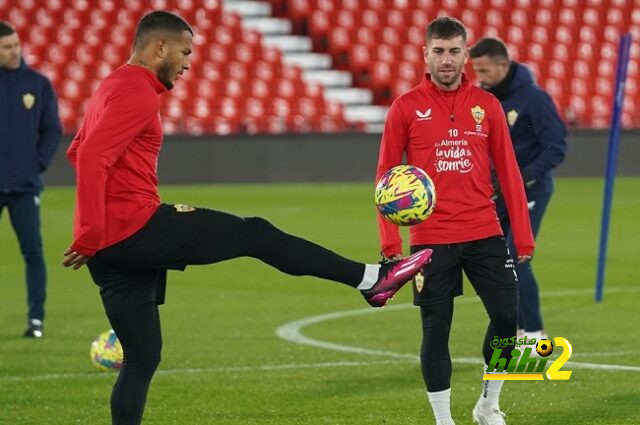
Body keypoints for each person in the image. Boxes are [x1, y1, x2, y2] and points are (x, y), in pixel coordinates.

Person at [61, 11, 431, 425]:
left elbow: (77, 152)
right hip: (134, 228)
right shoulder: (137, 92)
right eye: (185, 52)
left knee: (142, 355)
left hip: (110, 251)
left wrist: (93, 234)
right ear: (159, 46)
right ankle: (372, 280)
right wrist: (94, 229)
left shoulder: (109, 86)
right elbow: (92, 156)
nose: (187, 63)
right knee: (255, 234)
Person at [375, 17, 535, 425]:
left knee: (506, 317)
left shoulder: (488, 106)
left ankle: (488, 403)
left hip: (484, 231)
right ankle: (444, 420)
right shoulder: (405, 108)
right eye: (438, 51)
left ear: (466, 55)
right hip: (431, 238)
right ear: (425, 54)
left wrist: (524, 236)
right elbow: (386, 178)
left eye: (454, 51)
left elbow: (510, 172)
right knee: (435, 330)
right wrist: (392, 247)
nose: (446, 59)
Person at [469, 38, 567, 343]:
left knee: (517, 255)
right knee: (495, 258)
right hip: (498, 192)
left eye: (484, 70)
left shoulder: (535, 99)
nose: (479, 77)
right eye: (476, 70)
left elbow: (556, 148)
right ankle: (514, 327)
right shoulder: (483, 100)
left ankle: (534, 332)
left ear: (503, 65)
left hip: (531, 190)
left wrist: (521, 178)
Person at [0, 20, 62, 338]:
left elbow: (53, 129)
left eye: (16, 45)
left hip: (25, 186)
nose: (15, 51)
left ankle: (36, 319)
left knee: (33, 251)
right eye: (7, 47)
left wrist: (35, 163)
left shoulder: (37, 84)